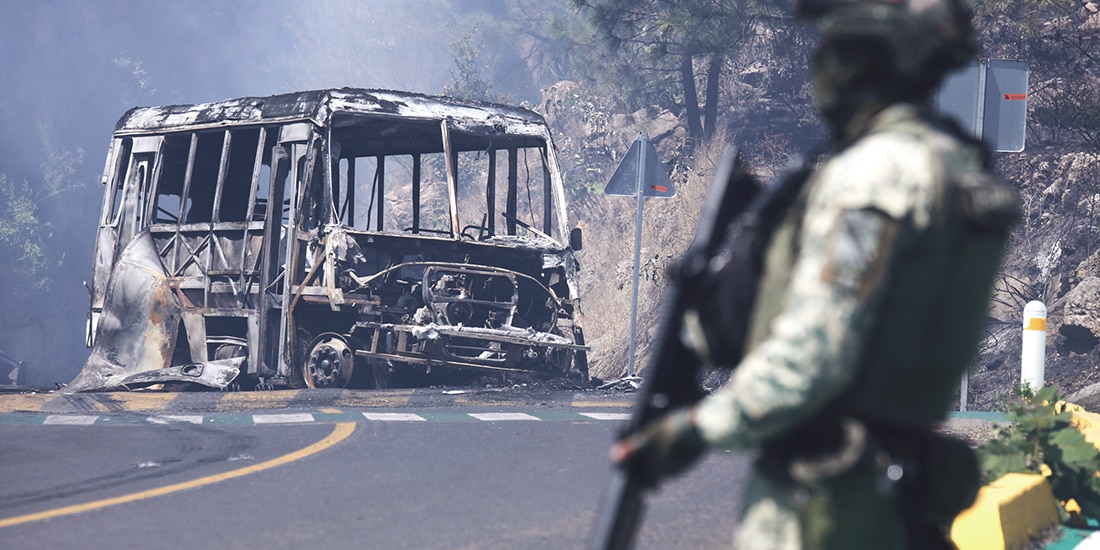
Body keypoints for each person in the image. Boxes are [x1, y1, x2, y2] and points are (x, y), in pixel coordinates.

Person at [610, 0, 1019, 548]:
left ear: (869, 60)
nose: (821, 64)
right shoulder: (955, 166)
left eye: (836, 47)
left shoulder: (875, 178)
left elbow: (816, 351)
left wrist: (693, 429)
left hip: (825, 502)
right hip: (899, 484)